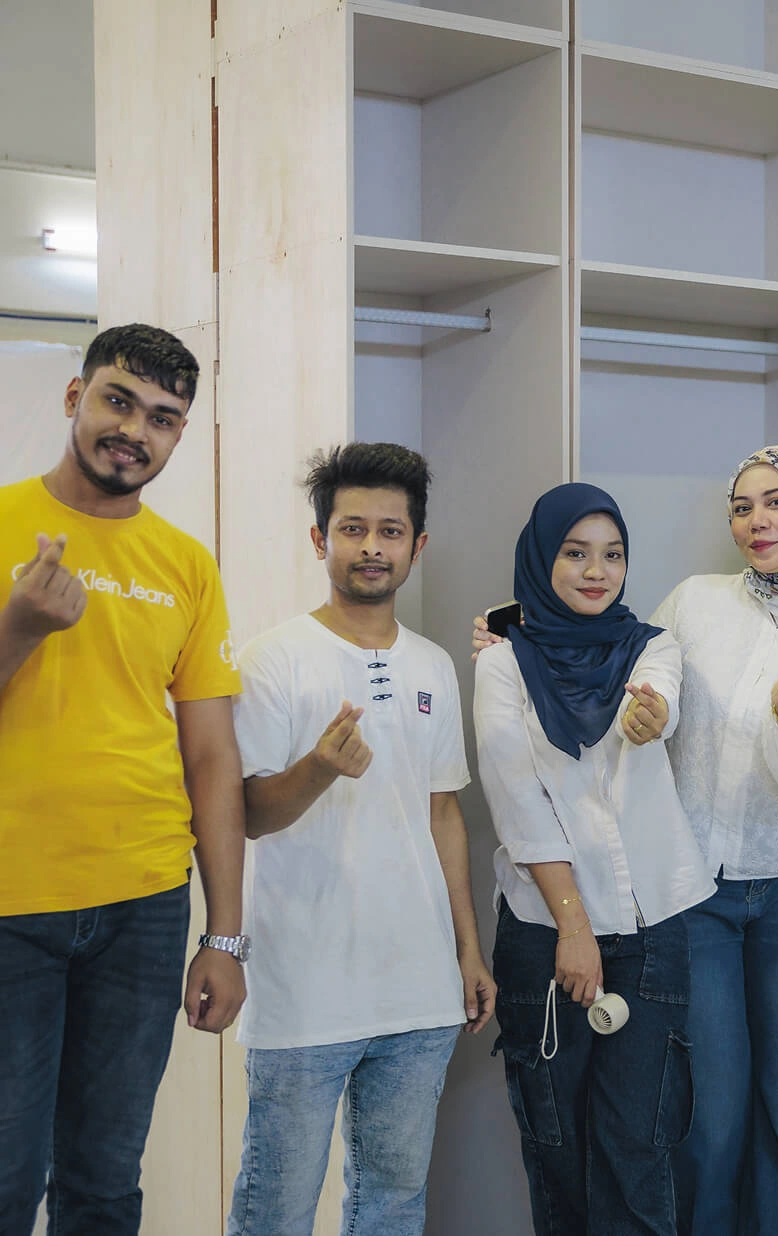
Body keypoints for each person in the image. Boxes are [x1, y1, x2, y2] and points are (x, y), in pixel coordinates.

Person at [0, 323, 247, 1235]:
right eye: (119, 401)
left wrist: (224, 937)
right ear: (75, 396)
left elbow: (211, 757)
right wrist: (17, 628)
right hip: (1, 911)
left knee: (103, 1189)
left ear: (179, 434)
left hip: (144, 910)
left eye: (162, 418)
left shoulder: (187, 565)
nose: (135, 431)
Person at [472, 445, 778, 1236]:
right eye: (742, 506)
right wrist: (513, 631)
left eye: (777, 501)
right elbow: (613, 648)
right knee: (707, 1109)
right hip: (695, 895)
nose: (757, 520)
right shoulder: (696, 604)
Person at [225, 443, 496, 1235]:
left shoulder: (434, 666)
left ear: (417, 545)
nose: (371, 546)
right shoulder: (274, 659)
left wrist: (467, 951)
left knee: (392, 1206)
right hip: (302, 994)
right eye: (352, 529)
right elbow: (247, 815)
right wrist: (318, 768)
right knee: (274, 1213)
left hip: (418, 993)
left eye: (390, 531)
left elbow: (443, 815)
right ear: (321, 540)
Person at [477, 482, 715, 1236]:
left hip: (650, 928)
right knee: (559, 1152)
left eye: (612, 555)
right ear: (542, 558)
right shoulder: (501, 664)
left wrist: (653, 715)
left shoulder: (649, 647)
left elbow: (659, 696)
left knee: (639, 1146)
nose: (596, 571)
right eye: (576, 553)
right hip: (544, 931)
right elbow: (519, 804)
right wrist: (574, 927)